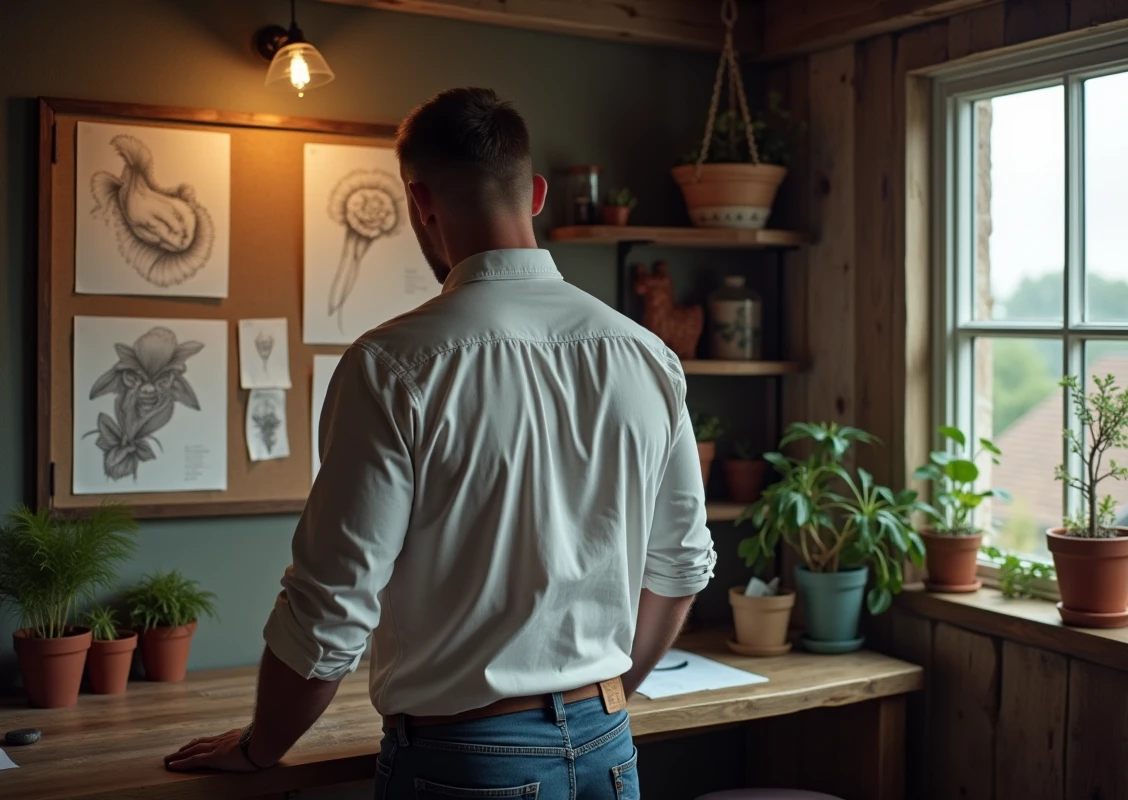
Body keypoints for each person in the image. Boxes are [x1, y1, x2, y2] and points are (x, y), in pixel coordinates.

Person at [164, 87, 715, 799]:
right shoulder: (646, 357)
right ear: (537, 193)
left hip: (467, 764)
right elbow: (680, 570)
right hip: (610, 754)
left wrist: (260, 746)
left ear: (420, 201)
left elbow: (330, 609)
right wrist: (598, 703)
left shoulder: (394, 366)